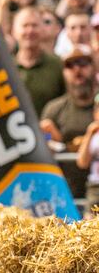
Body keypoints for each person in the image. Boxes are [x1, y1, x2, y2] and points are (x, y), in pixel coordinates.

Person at [40, 47, 96, 197]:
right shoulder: (54, 109)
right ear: (63, 72)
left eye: (83, 63)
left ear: (94, 67)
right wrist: (51, 138)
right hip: (66, 194)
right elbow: (42, 147)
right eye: (70, 66)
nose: (77, 70)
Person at [13, 6, 65, 115]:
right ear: (14, 31)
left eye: (34, 25)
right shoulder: (5, 67)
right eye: (25, 26)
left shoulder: (58, 65)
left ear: (42, 30)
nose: (30, 31)